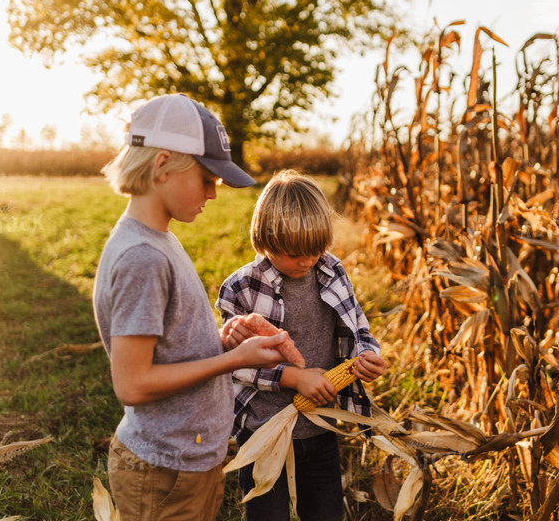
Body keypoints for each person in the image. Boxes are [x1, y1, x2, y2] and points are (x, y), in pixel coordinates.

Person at [93, 94, 287, 521]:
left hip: (185, 461)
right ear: (162, 164)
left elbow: (166, 346)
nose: (213, 194)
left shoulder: (158, 238)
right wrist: (233, 360)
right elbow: (133, 384)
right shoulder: (142, 257)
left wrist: (220, 342)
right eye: (206, 179)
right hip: (164, 472)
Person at [216, 170, 388, 521]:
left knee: (325, 512)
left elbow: (356, 325)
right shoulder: (241, 289)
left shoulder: (331, 270)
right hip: (264, 429)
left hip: (321, 424)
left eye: (315, 249)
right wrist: (295, 378)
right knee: (267, 513)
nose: (308, 261)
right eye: (295, 253)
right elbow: (235, 362)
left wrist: (367, 354)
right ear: (265, 238)